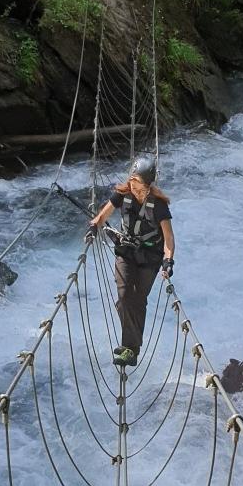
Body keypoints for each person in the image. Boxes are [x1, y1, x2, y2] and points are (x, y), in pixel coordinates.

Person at [88, 152, 174, 367]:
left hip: (150, 257)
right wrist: (93, 228)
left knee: (138, 301)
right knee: (126, 296)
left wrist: (168, 260)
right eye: (133, 181)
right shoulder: (122, 194)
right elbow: (102, 217)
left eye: (139, 184)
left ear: (148, 184)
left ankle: (131, 348)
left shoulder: (159, 205)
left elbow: (169, 239)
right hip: (125, 252)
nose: (135, 187)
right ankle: (130, 348)